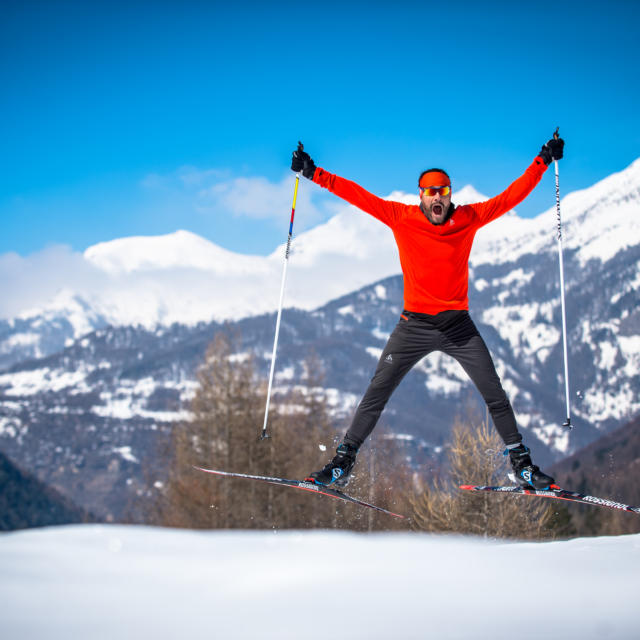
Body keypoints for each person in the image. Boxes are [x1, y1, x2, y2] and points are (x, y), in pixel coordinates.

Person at [291, 134, 565, 491]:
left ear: (450, 194)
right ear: (420, 195)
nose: (438, 196)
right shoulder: (400, 217)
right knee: (377, 393)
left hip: (458, 327)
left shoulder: (469, 217)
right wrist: (314, 173)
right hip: (413, 326)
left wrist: (542, 160)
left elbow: (510, 197)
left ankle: (522, 466)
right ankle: (342, 464)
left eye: (444, 190)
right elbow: (357, 195)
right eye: (431, 191)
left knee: (494, 394)